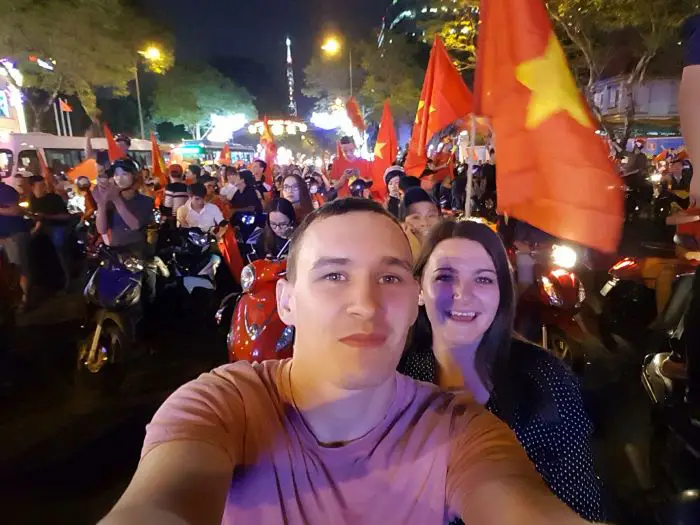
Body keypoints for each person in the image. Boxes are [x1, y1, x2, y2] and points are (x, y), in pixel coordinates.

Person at [99, 198, 597, 525]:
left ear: (410, 299)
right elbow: (163, 500)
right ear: (286, 302)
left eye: (389, 278)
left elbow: (522, 504)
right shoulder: (225, 404)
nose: (366, 303)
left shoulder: (461, 426)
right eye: (334, 276)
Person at [398, 219, 605, 523]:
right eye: (444, 276)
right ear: (418, 290)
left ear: (501, 293)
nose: (463, 294)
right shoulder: (396, 376)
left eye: (483, 279)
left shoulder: (545, 381)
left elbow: (578, 503)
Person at [94, 159, 154, 258]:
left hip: (136, 252)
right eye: (116, 175)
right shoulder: (110, 201)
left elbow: (135, 225)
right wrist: (101, 204)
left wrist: (116, 199)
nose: (119, 179)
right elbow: (102, 229)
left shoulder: (145, 201)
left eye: (124, 174)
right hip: (115, 251)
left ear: (134, 176)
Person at [28, 175, 74, 291]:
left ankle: (68, 281)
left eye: (44, 185)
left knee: (59, 249)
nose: (44, 188)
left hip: (57, 227)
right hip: (42, 229)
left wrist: (46, 216)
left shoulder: (54, 198)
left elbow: (66, 217)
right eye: (41, 186)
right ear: (32, 187)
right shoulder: (32, 199)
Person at [0, 178, 31, 310]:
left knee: (18, 267)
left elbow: (16, 210)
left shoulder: (6, 191)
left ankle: (24, 300)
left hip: (13, 235)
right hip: (3, 236)